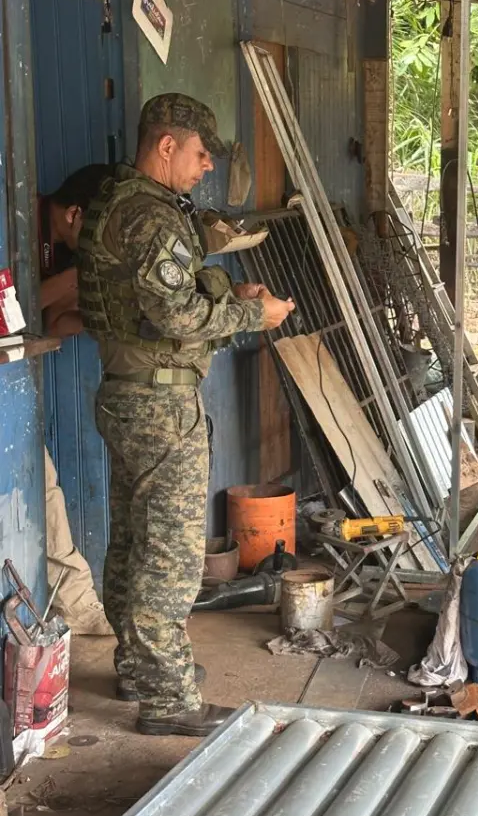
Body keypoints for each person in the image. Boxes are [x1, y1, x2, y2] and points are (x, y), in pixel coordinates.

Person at [77, 94, 295, 736]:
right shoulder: (150, 217)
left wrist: (230, 293)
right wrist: (256, 313)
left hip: (130, 392)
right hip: (160, 404)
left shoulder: (119, 202)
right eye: (200, 155)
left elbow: (161, 299)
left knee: (133, 542)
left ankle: (141, 670)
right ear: (166, 145)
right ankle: (168, 701)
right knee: (169, 554)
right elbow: (174, 317)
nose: (206, 169)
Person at [39, 164, 115, 637]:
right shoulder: (17, 220)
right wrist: (70, 283)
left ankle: (77, 602)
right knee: (41, 487)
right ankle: (77, 604)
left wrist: (92, 318)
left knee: (43, 487)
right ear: (73, 214)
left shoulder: (60, 249)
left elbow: (48, 323)